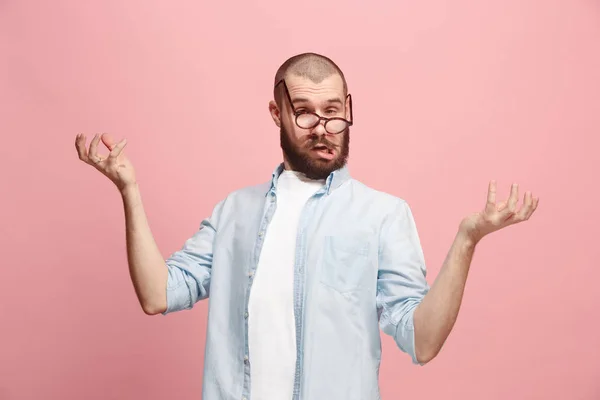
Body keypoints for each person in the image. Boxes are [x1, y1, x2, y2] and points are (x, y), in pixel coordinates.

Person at [75, 52, 539, 400]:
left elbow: (423, 340)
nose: (322, 126)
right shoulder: (233, 211)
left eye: (334, 110)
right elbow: (159, 295)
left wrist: (466, 239)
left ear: (348, 107)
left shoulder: (383, 215)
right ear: (276, 114)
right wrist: (129, 191)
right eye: (304, 111)